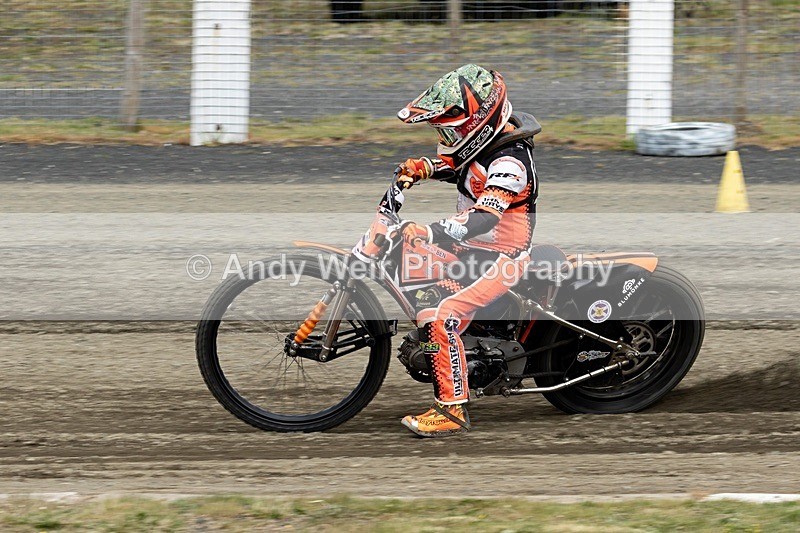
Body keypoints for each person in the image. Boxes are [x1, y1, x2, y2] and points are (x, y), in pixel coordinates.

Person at [394, 64, 540, 437]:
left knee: (439, 313)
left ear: (479, 123)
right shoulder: (486, 146)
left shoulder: (510, 163)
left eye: (449, 131)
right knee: (412, 267)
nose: (446, 138)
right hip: (473, 252)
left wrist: (429, 230)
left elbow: (484, 218)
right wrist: (424, 168)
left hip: (503, 259)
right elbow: (462, 166)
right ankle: (453, 349)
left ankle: (452, 410)